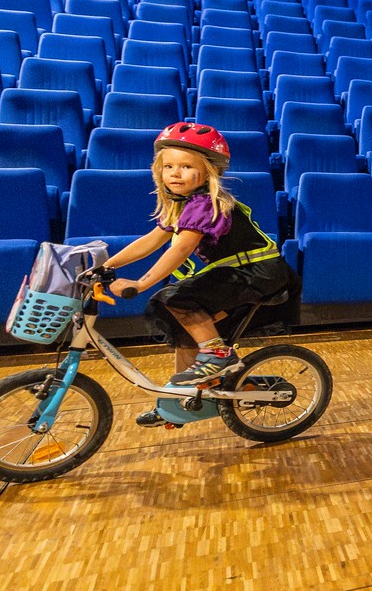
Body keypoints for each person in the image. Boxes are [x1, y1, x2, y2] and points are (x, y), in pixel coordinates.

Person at [102, 122, 296, 417]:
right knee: (184, 327)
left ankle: (218, 354)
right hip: (238, 272)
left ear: (208, 172)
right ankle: (180, 400)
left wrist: (141, 284)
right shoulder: (184, 204)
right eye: (168, 166)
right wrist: (106, 266)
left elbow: (179, 250)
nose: (175, 173)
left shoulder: (207, 203)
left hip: (259, 271)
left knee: (176, 299)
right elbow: (152, 240)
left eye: (185, 167)